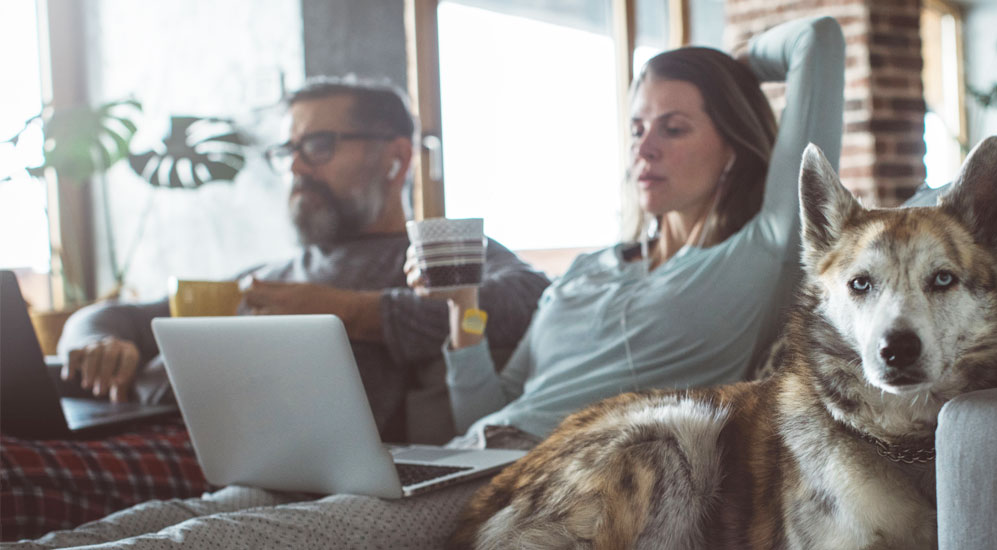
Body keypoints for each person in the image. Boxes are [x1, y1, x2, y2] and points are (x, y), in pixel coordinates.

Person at [9, 16, 845, 549]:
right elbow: (479, 409)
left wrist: (731, 65)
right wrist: (460, 326)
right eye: (635, 127)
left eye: (674, 126)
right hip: (458, 454)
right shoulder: (592, 268)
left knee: (213, 540)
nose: (645, 148)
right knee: (174, 514)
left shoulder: (752, 259)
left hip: (558, 472)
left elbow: (820, 48)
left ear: (733, 145)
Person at [0, 77, 550, 543]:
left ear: (396, 158)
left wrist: (352, 311)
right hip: (134, 419)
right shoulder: (276, 272)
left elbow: (527, 295)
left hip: (225, 453)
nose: (296, 168)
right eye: (289, 150)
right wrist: (93, 343)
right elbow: (112, 316)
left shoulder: (426, 260)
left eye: (319, 145)